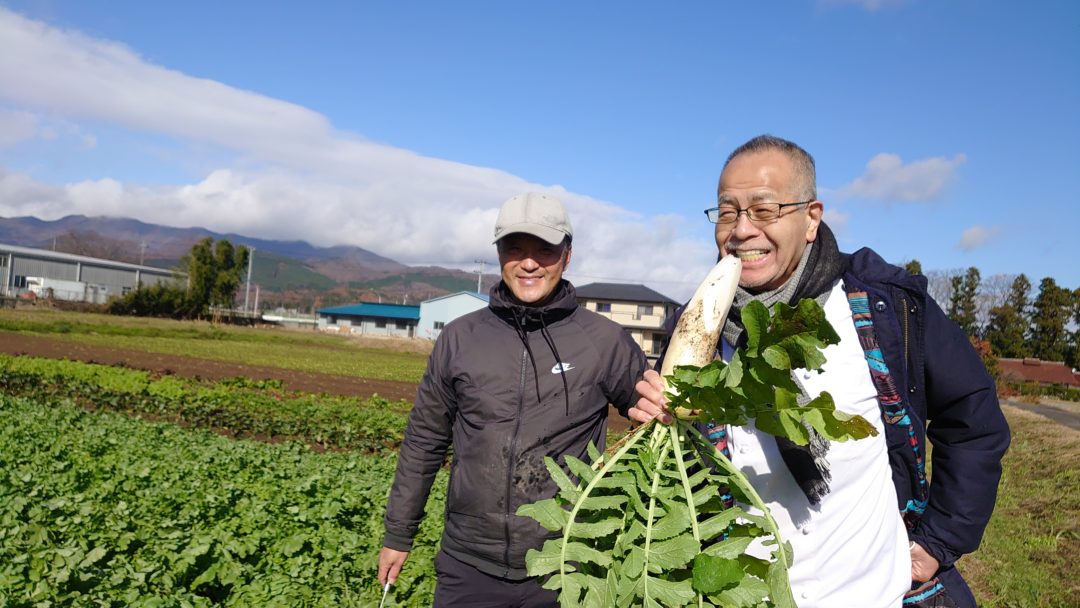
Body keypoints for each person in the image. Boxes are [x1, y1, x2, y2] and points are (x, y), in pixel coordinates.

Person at [629, 135, 1009, 608]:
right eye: (727, 212)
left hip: (875, 596)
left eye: (764, 210)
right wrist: (660, 424)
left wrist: (940, 539)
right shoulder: (698, 330)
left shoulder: (881, 307)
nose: (741, 230)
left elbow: (973, 418)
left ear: (811, 219)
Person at [378, 192, 648, 607]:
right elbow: (424, 441)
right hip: (468, 561)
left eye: (545, 249)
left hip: (565, 564)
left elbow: (654, 420)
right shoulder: (461, 338)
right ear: (499, 251)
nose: (529, 262)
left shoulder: (604, 341)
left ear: (567, 255)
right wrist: (399, 533)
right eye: (514, 248)